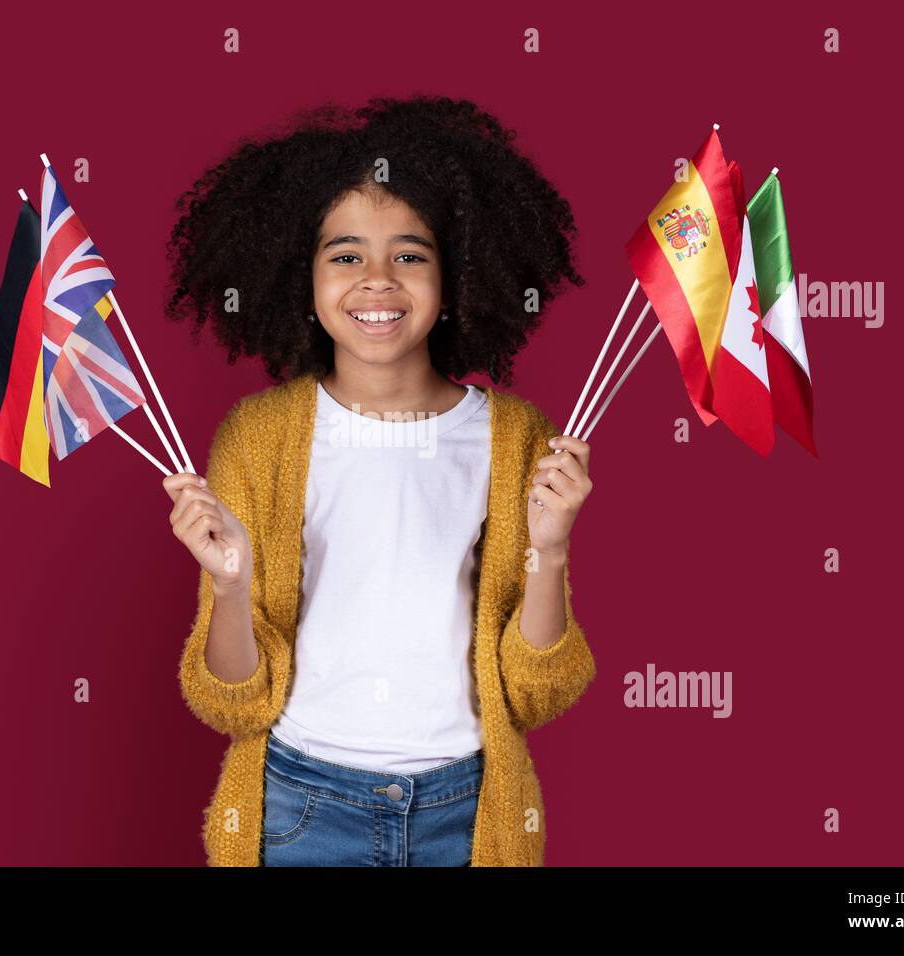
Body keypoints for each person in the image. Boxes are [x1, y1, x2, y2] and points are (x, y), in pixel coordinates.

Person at [162, 95, 596, 866]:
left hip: (466, 815)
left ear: (454, 279)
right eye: (345, 255)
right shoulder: (257, 439)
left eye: (410, 254)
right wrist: (229, 588)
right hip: (299, 808)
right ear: (305, 280)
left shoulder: (518, 439)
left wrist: (551, 551)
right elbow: (233, 701)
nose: (377, 280)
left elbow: (535, 695)